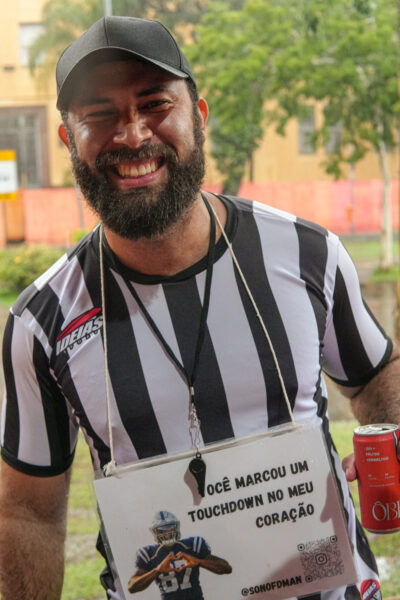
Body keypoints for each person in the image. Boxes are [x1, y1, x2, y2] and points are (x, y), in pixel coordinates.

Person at [0, 14, 399, 600]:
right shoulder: (42, 321)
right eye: (100, 114)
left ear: (200, 116)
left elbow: (375, 374)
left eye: (155, 104)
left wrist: (392, 439)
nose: (132, 135)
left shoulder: (306, 253)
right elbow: (28, 514)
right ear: (67, 140)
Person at [128, 510, 232, 597]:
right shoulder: (149, 553)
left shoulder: (192, 545)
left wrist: (198, 562)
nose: (166, 534)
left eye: (169, 528)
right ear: (155, 532)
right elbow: (132, 587)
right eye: (161, 530)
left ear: (176, 527)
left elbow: (227, 568)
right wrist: (157, 570)